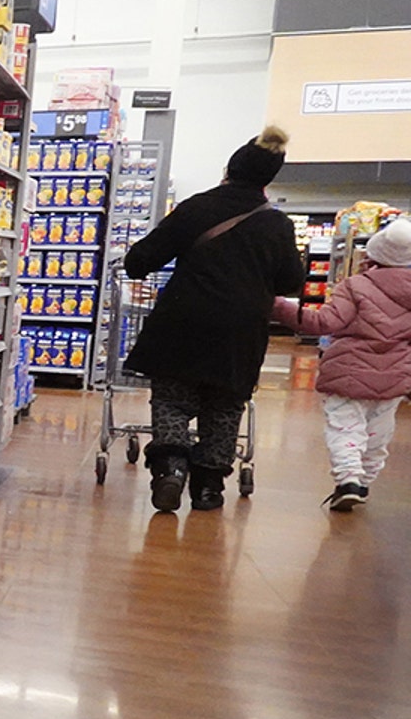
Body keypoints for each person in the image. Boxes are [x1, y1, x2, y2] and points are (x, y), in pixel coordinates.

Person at [122, 126, 304, 512]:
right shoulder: (278, 224)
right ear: (267, 180)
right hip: (240, 332)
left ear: (229, 169)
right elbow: (291, 281)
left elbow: (140, 261)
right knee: (224, 406)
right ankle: (208, 488)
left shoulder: (197, 206)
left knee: (172, 397)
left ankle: (171, 468)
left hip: (183, 321)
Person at [272, 217, 411, 511]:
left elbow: (325, 322)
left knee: (345, 428)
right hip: (394, 376)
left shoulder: (356, 285)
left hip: (348, 371)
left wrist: (278, 306)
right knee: (378, 434)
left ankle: (348, 480)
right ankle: (364, 482)